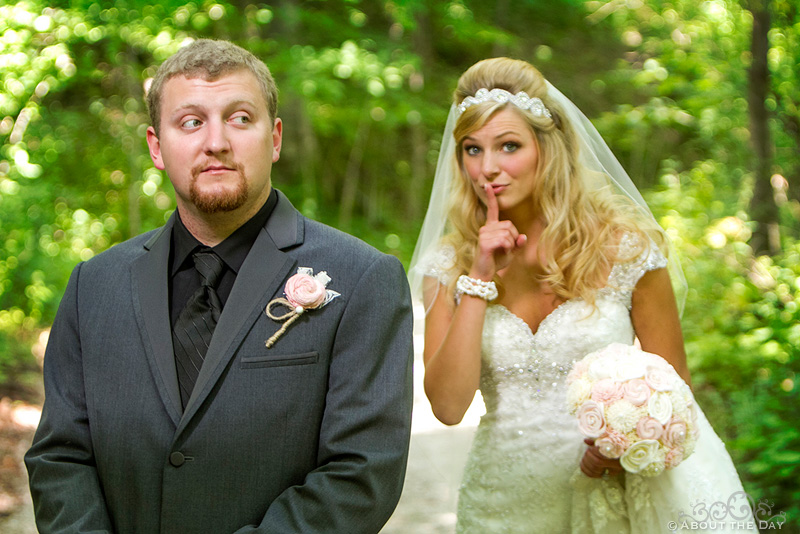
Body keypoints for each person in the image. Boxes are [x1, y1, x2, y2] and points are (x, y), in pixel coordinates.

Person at [26, 39, 414, 534]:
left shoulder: (363, 278)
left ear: (274, 138)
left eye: (239, 118)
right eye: (191, 122)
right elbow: (60, 457)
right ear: (155, 146)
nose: (216, 142)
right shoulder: (92, 286)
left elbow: (362, 473)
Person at [409, 57, 755, 533]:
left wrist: (619, 451)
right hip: (499, 506)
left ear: (547, 149)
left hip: (608, 503)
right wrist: (479, 277)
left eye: (508, 146)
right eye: (472, 149)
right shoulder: (448, 267)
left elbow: (676, 395)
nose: (487, 168)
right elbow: (448, 409)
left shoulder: (628, 249)